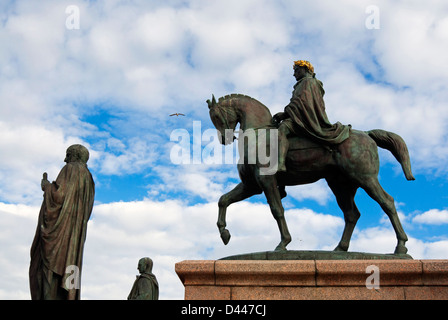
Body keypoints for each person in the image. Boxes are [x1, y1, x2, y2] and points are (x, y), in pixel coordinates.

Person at [29, 144, 95, 300]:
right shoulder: (89, 180)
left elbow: (58, 196)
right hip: (75, 237)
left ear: (74, 156)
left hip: (58, 237)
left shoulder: (70, 169)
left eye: (68, 155)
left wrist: (47, 188)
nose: (65, 159)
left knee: (47, 272)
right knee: (71, 268)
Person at [273, 60, 351, 172]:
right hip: (301, 116)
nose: (294, 74)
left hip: (304, 119)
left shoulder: (308, 82)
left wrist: (285, 114)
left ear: (305, 69)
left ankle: (280, 163)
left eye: (297, 70)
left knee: (282, 130)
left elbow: (302, 102)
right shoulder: (305, 83)